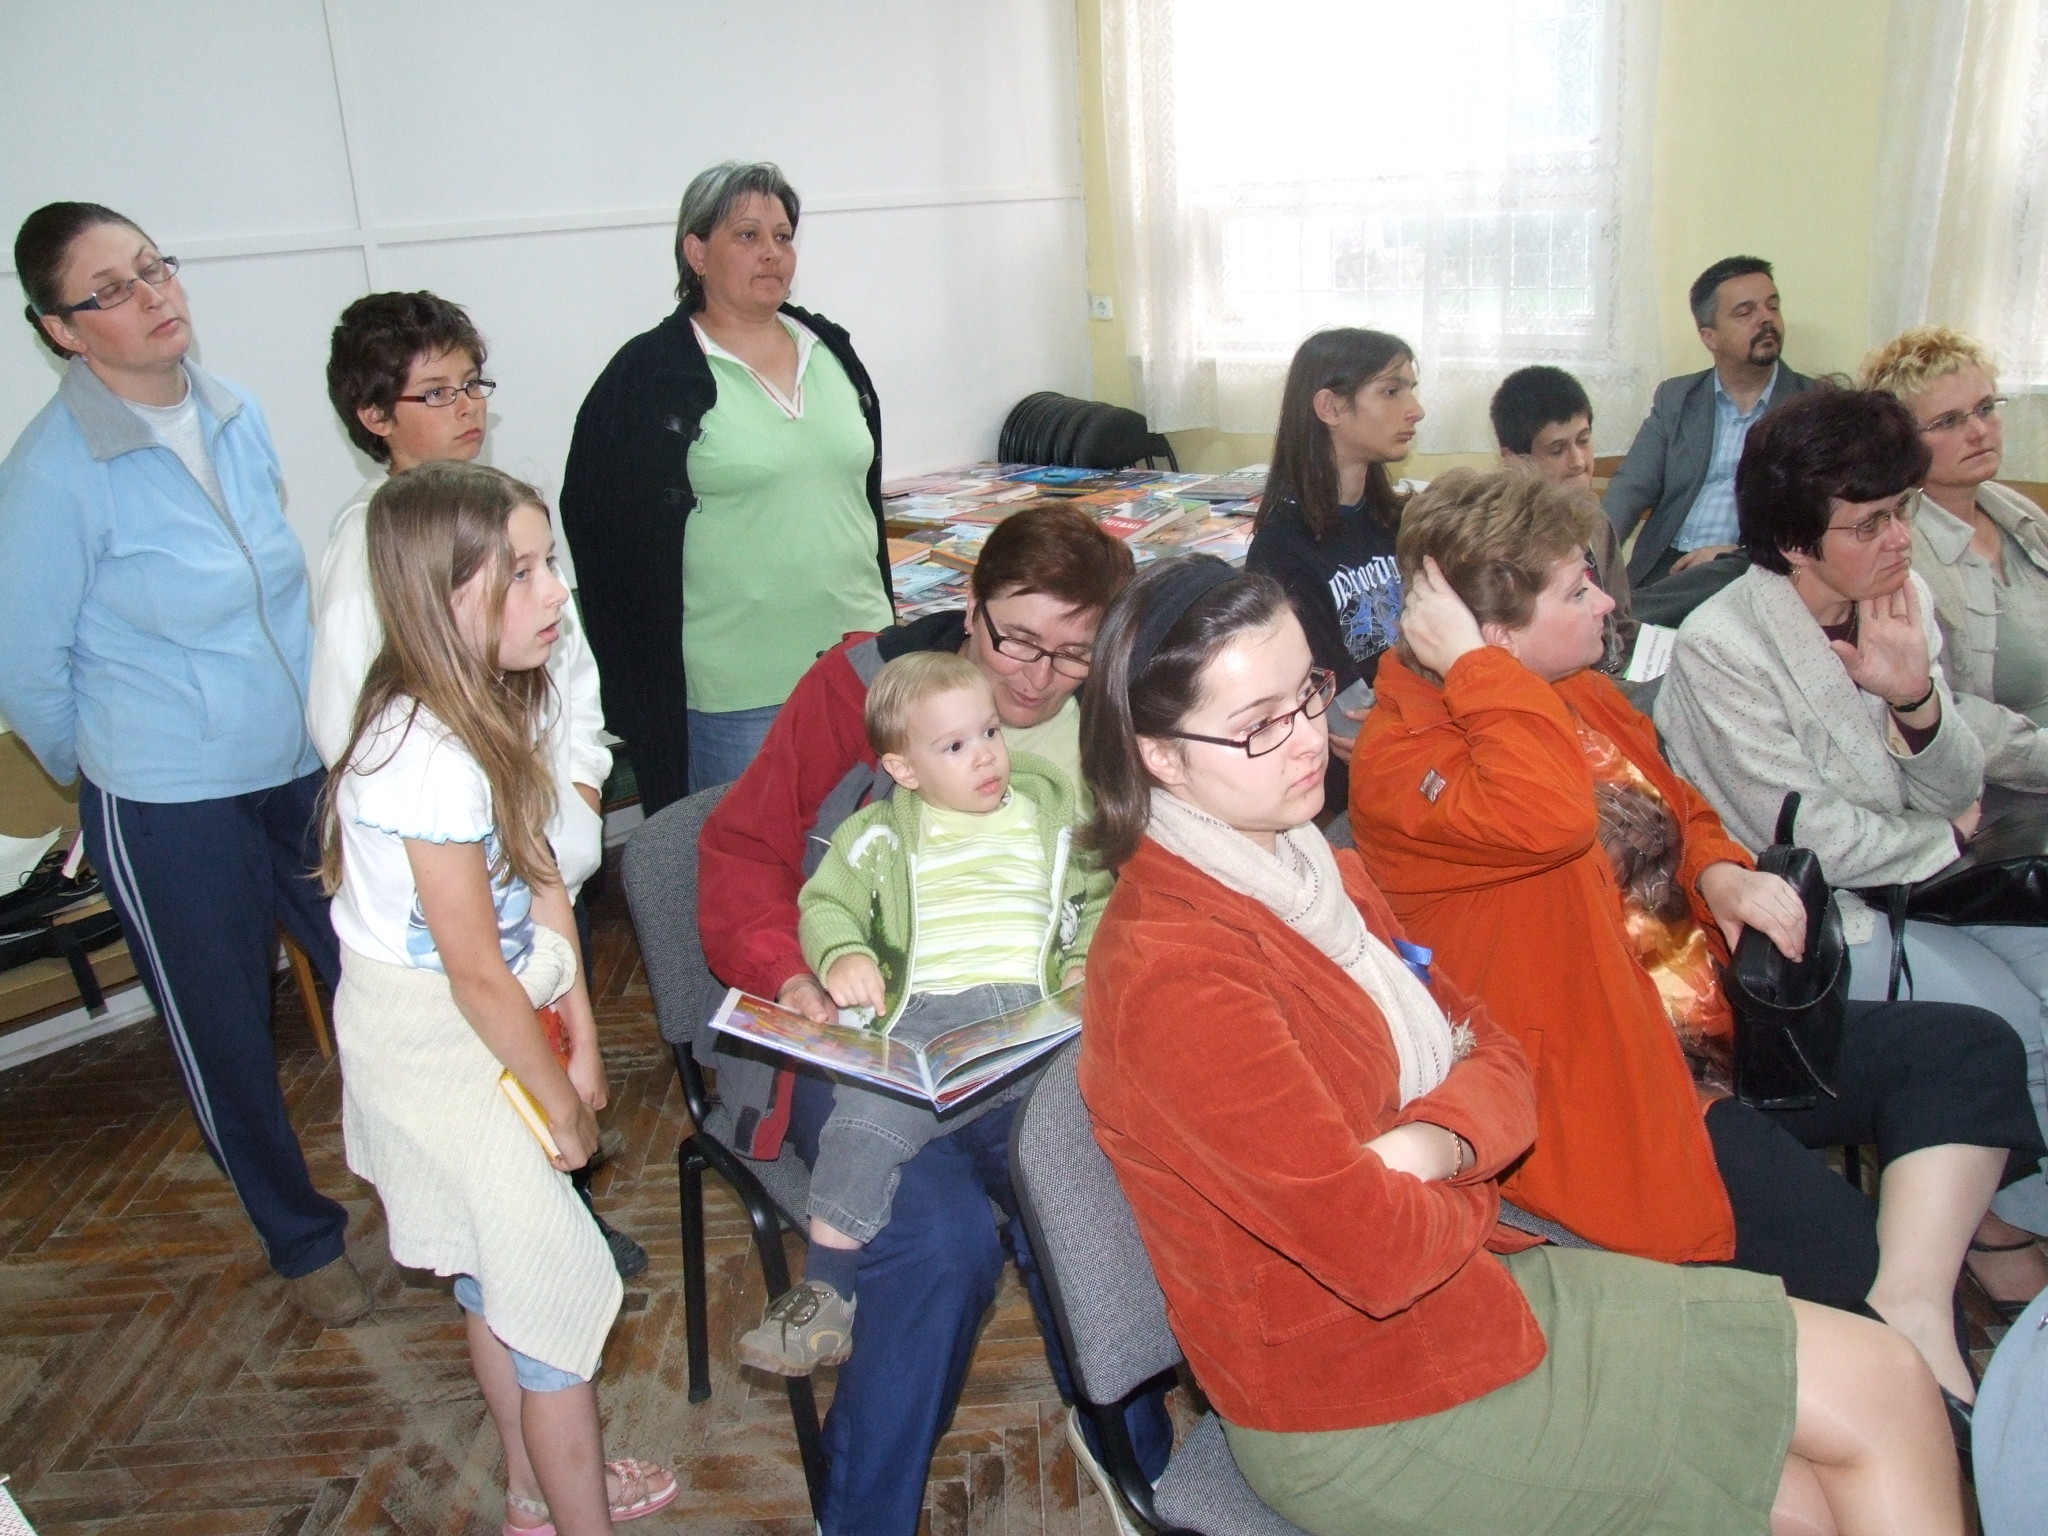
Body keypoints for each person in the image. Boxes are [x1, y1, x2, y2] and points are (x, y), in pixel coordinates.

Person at [1078, 553, 1963, 1536]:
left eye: (1308, 694)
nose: (1308, 740)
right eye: (1258, 725)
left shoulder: (1314, 871)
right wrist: (1468, 1151)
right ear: (1160, 758)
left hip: (1468, 1295)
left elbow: (1497, 1050)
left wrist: (1429, 1148)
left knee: (1845, 1448)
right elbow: (1375, 1252)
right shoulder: (1173, 976)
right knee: (1872, 1407)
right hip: (1363, 1401)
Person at [1348, 462, 2043, 1416]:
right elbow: (1547, 817)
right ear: (1492, 636)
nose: (1607, 604)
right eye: (1577, 590)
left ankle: (1913, 1304)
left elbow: (1679, 804)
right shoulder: (1404, 760)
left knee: (1967, 1051)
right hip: (1618, 1087)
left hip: (1714, 1027)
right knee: (1839, 1245)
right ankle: (1895, 1333)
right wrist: (1480, 673)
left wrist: (1718, 872)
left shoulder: (1574, 691)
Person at [695, 502, 1162, 1534]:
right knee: (940, 1245)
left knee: (1092, 1187)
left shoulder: (1115, 714)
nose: (1035, 680)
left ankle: (1134, 1454)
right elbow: (742, 852)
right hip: (872, 1043)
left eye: (1072, 654)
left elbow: (1134, 891)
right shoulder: (867, 688)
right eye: (1015, 640)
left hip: (1032, 1040)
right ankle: (863, 1518)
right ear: (969, 602)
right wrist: (798, 975)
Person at [0, 202, 366, 1325]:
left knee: (379, 980)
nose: (154, 296)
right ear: (62, 329)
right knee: (225, 1035)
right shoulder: (52, 474)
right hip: (167, 804)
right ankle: (301, 1238)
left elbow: (276, 594)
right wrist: (110, 766)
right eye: (112, 289)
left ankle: (438, 1181)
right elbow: (27, 670)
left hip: (296, 769)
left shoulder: (232, 411)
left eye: (154, 268)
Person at [321, 461, 674, 1536]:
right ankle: (574, 1513)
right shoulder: (426, 754)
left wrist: (580, 1042)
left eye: (548, 562)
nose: (555, 591)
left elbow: (537, 872)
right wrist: (560, 1104)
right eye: (519, 572)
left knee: (493, 1276)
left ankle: (533, 1491)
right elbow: (475, 972)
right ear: (442, 595)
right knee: (553, 1300)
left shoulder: (489, 701)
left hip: (488, 1026)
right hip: (439, 1045)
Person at [1655, 388, 2048, 1320]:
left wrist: (1915, 701)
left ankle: (1998, 1214)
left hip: (1927, 882)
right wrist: (1943, 836)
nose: (1900, 539)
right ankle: (1999, 1231)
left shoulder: (1897, 601)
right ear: (1796, 543)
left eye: (1901, 509)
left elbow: (1953, 782)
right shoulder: (1723, 647)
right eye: (1869, 524)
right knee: (2004, 1024)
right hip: (1808, 922)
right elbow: (1805, 836)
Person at [310, 290, 643, 1277]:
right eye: (437, 392)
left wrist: (578, 791)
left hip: (531, 874)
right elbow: (350, 734)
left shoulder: (509, 520)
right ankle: (536, 1240)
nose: (467, 408)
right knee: (509, 1146)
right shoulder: (377, 555)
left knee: (549, 1088)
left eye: (473, 385)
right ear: (376, 415)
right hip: (464, 907)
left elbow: (571, 684)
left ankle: (551, 1220)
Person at [736, 653, 1108, 1376]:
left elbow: (1099, 897)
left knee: (1079, 1159)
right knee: (861, 1121)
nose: (986, 757)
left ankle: (1109, 1365)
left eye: (990, 732)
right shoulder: (875, 836)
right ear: (903, 770)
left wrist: (1083, 962)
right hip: (925, 1024)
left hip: (1036, 1020)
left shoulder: (1054, 814)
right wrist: (843, 952)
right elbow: (825, 904)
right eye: (955, 746)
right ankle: (827, 1294)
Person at [560, 161, 893, 812]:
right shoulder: (650, 377)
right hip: (738, 694)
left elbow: (861, 499)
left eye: (783, 236)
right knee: (750, 861)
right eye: (747, 235)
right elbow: (602, 531)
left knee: (872, 848)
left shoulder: (830, 350)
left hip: (862, 663)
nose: (772, 252)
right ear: (696, 252)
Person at [1861, 326, 2048, 799]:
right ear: (1899, 442)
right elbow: (1945, 710)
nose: (1979, 431)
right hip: (2003, 789)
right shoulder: (1896, 550)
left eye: (1985, 408)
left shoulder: (2016, 512)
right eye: (1948, 421)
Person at [1246, 328, 1421, 809]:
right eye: (1392, 391)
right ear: (1330, 408)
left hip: (1418, 734)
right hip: (1365, 778)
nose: (1416, 409)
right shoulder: (1283, 550)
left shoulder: (1398, 521)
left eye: (1411, 389)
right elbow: (1344, 717)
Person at [1603, 256, 1817, 624]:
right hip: (1668, 568)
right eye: (1745, 312)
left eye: (1772, 306)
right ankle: (1623, 621)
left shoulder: (1813, 407)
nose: (1765, 319)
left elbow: (1817, 515)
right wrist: (1589, 562)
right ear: (1709, 336)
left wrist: (1737, 552)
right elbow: (1630, 487)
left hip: (1750, 567)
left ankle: (1621, 623)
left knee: (1729, 577)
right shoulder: (1677, 398)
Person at [1489, 363, 1637, 671]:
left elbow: (1620, 619)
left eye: (1583, 440)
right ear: (1514, 460)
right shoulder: (1505, 544)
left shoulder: (1596, 521)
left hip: (1613, 671)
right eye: (1557, 450)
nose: (1578, 462)